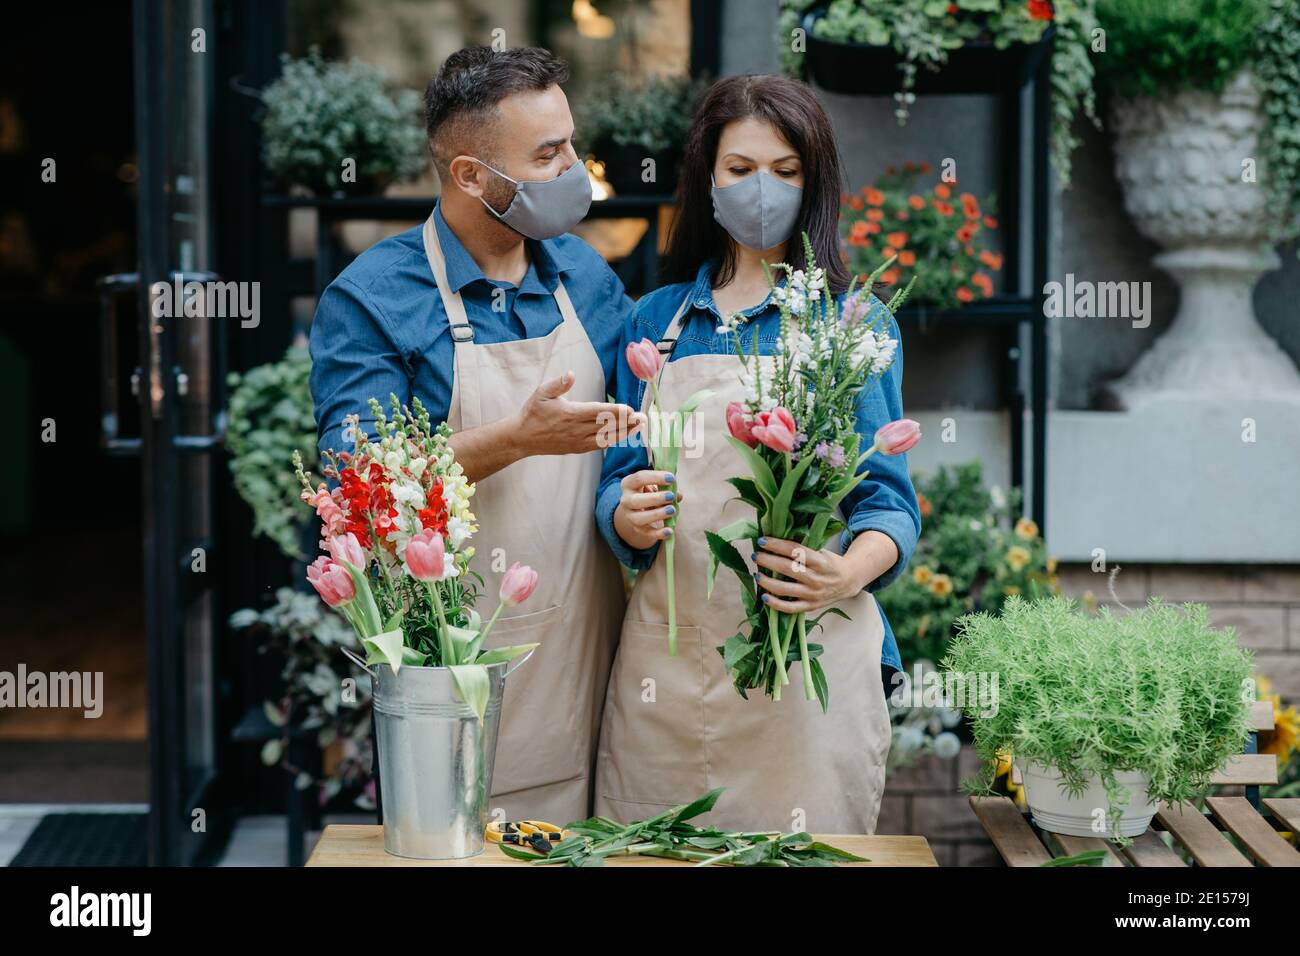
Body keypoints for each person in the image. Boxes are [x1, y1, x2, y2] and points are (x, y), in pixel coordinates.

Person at [309, 46, 639, 824]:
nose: (573, 172)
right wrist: (516, 438)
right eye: (548, 155)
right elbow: (358, 491)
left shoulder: (584, 277)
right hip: (458, 668)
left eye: (571, 145)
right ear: (469, 175)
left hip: (598, 647)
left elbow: (638, 431)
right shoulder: (373, 299)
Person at [593, 74, 921, 833]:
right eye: (740, 170)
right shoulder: (656, 321)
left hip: (802, 661)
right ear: (707, 179)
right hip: (667, 673)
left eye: (785, 170)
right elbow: (616, 478)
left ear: (815, 183)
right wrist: (626, 515)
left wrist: (843, 572)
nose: (762, 190)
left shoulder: (853, 326)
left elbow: (888, 506)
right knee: (652, 849)